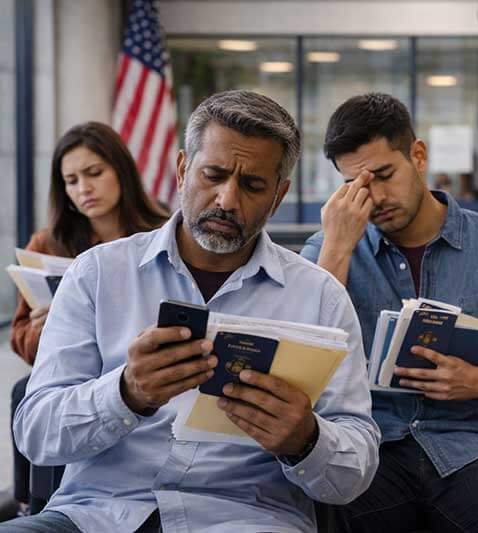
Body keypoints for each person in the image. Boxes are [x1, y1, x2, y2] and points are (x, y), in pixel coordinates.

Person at [5, 90, 379, 533]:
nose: (227, 199)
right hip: (96, 516)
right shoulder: (97, 274)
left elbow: (355, 470)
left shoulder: (319, 296)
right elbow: (36, 434)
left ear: (279, 195)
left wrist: (306, 439)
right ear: (183, 169)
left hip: (244, 520)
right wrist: (125, 393)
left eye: (252, 186)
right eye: (213, 175)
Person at [301, 93, 478, 533]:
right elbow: (300, 373)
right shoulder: (328, 252)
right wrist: (337, 253)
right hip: (371, 444)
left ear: (418, 156)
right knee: (316, 517)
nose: (375, 197)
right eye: (355, 186)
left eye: (384, 175)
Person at [8, 121, 170, 512]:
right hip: (77, 368)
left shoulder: (164, 234)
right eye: (71, 181)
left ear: (121, 171)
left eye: (94, 173)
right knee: (26, 392)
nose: (84, 188)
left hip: (135, 366)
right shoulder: (49, 243)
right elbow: (20, 336)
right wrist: (49, 329)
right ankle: (32, 502)